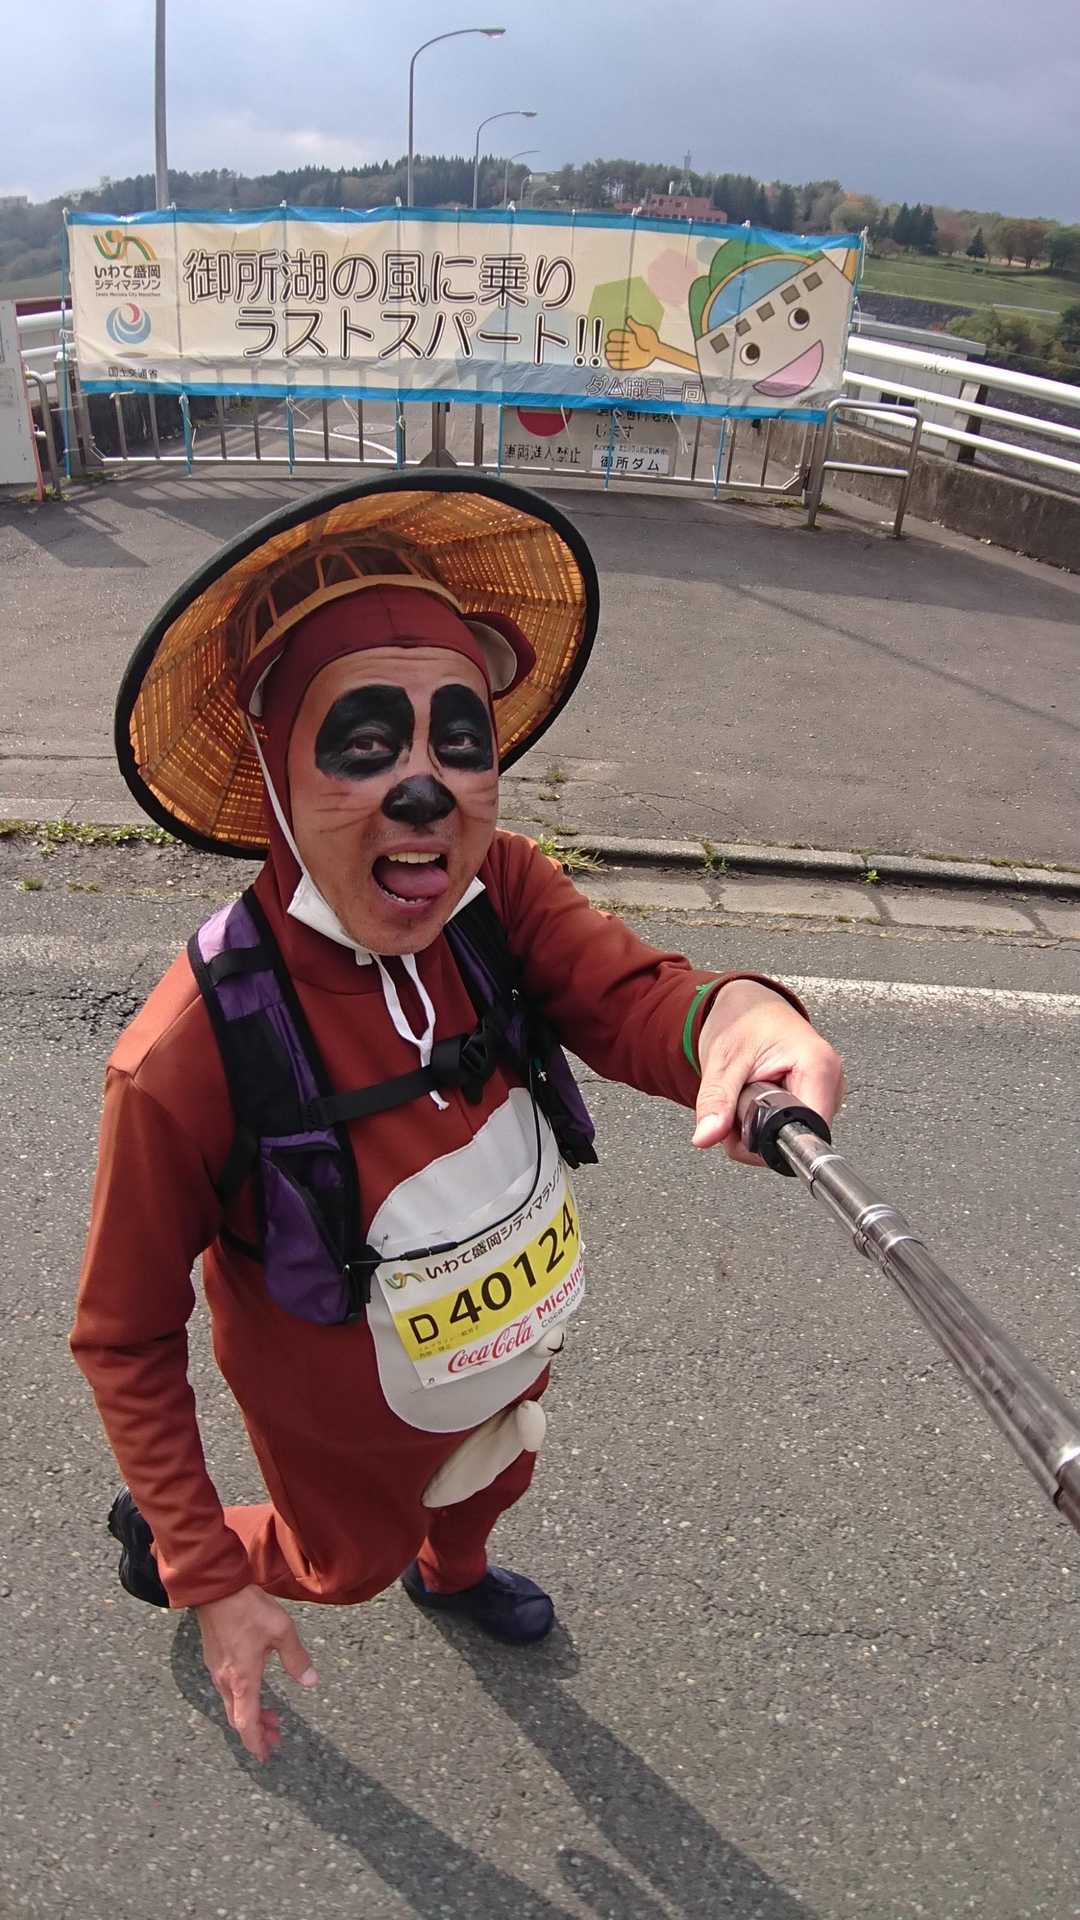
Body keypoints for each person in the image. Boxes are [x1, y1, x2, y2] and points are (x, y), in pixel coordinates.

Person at [71, 474, 843, 1764]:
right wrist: (207, 1571)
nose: (425, 792)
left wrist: (738, 1021)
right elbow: (124, 1334)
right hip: (343, 1425)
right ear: (275, 770)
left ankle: (456, 1567)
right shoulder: (186, 1053)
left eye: (459, 739)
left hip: (508, 1342)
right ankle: (170, 1545)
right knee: (343, 1562)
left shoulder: (500, 896)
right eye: (364, 743)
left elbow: (630, 993)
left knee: (502, 1465)